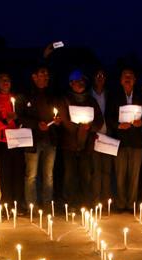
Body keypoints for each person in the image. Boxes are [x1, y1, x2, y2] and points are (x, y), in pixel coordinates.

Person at [56, 69, 103, 206]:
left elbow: (99, 121)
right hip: (69, 144)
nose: (81, 84)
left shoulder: (91, 100)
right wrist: (79, 128)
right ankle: (71, 204)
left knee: (85, 175)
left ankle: (85, 204)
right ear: (71, 83)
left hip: (86, 145)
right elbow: (64, 120)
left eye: (83, 81)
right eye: (77, 81)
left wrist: (90, 127)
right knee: (70, 176)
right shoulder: (65, 99)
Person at [106, 67, 142, 212]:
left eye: (131, 76)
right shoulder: (114, 96)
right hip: (120, 141)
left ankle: (131, 204)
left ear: (135, 80)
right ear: (120, 80)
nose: (128, 78)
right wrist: (118, 125)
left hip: (137, 142)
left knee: (134, 176)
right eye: (125, 76)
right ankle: (120, 203)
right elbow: (109, 117)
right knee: (120, 175)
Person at [19, 65, 60, 209]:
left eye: (47, 74)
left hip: (50, 139)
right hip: (32, 140)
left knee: (48, 175)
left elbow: (57, 113)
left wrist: (57, 120)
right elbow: (20, 116)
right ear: (34, 77)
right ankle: (31, 204)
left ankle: (47, 203)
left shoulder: (52, 94)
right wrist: (37, 124)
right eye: (43, 73)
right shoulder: (26, 95)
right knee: (31, 175)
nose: (46, 77)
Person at [0, 71, 23, 206]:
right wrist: (6, 121)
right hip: (3, 143)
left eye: (7, 80)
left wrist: (20, 121)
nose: (5, 82)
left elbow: (24, 117)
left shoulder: (17, 99)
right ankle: (7, 205)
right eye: (2, 80)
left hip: (19, 142)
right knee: (5, 176)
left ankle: (18, 205)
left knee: (19, 175)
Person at [90, 67, 113, 205]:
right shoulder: (89, 95)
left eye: (102, 75)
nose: (100, 77)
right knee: (95, 170)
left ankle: (106, 201)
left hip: (108, 136)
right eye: (97, 75)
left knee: (107, 171)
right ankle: (95, 200)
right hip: (94, 136)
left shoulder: (109, 94)